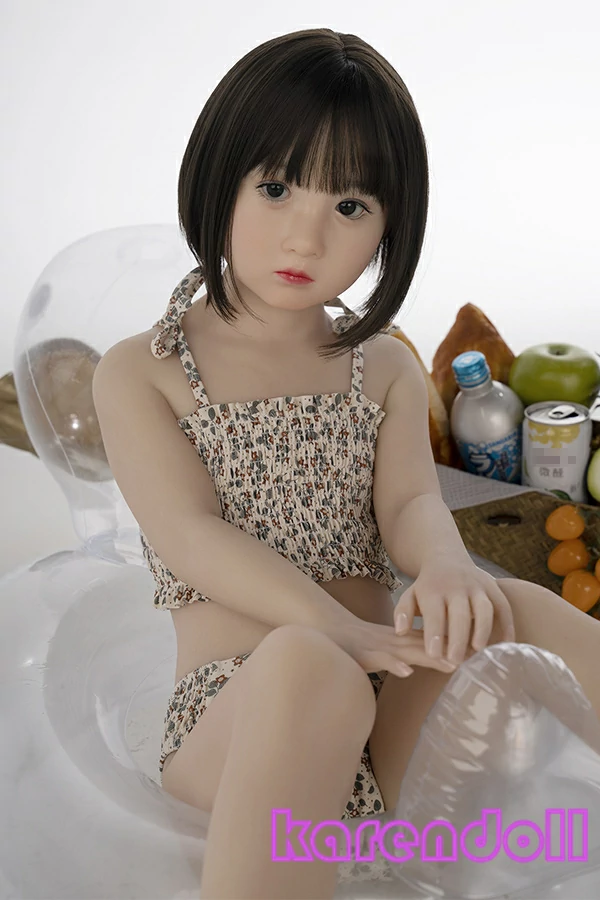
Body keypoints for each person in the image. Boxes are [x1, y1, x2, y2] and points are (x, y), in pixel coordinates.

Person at [92, 28, 600, 900]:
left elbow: (408, 505)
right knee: (308, 662)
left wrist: (445, 566)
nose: (306, 236)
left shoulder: (385, 366)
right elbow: (190, 536)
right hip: (241, 721)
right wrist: (336, 630)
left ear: (392, 225)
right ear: (217, 177)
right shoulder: (146, 370)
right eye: (276, 188)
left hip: (381, 701)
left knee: (502, 603)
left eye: (352, 206)